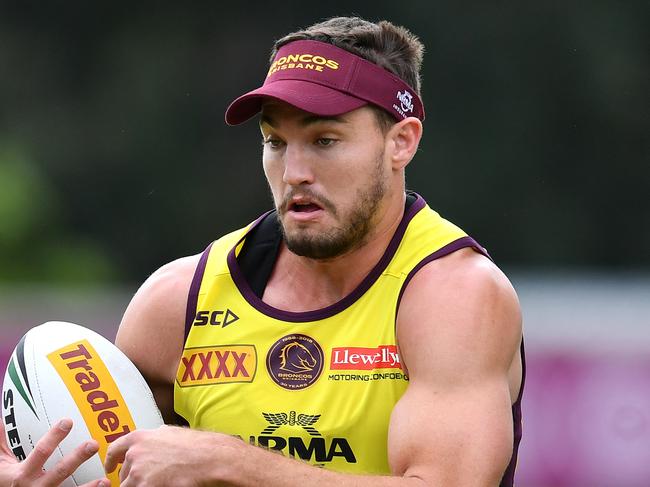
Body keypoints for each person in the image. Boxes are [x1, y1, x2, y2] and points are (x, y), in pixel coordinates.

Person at [0, 16, 524, 486]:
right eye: (275, 142)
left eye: (324, 140)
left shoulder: (455, 298)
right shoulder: (179, 300)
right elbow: (110, 467)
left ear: (401, 142)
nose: (295, 172)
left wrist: (234, 463)